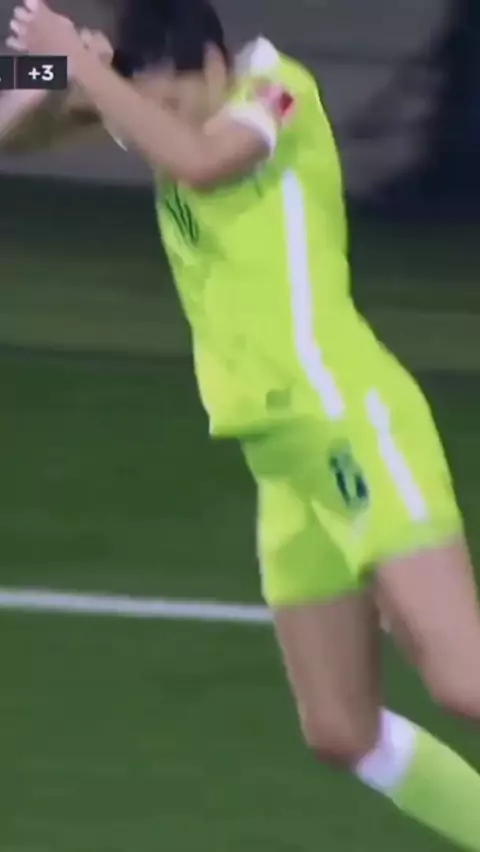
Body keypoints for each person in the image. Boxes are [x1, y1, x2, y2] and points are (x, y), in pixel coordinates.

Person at [5, 0, 480, 847]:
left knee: (465, 682)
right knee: (342, 731)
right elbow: (16, 128)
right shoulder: (168, 104)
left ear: (214, 63)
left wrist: (90, 76)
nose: (158, 121)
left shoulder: (275, 89)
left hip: (348, 423)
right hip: (284, 464)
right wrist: (57, 64)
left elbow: (199, 162)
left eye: (171, 99)